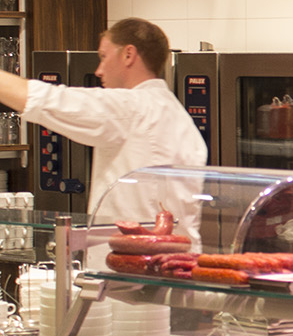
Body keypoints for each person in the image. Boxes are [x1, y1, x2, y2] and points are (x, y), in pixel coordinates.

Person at [0, 18, 206, 228]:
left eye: (104, 57)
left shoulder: (131, 107)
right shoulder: (178, 116)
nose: (98, 70)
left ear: (128, 55)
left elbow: (47, 100)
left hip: (133, 255)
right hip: (175, 254)